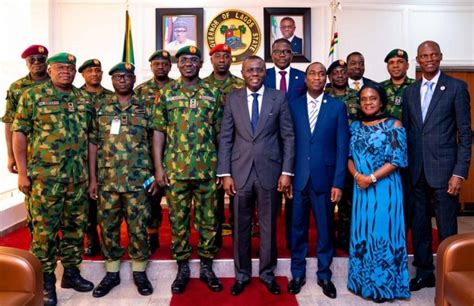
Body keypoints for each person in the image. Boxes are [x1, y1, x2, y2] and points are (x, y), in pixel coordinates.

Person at [12, 52, 94, 306]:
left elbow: (92, 140)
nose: (66, 72)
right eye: (60, 68)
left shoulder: (83, 98)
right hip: (45, 180)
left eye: (70, 68)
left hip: (77, 178)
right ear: (49, 70)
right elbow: (20, 134)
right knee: (44, 232)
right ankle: (45, 280)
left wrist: (92, 178)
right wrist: (23, 173)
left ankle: (70, 272)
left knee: (74, 229)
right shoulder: (32, 96)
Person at [217, 55, 295, 296]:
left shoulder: (278, 97)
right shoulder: (232, 98)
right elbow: (226, 136)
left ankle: (267, 273)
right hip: (239, 172)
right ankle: (241, 275)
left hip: (270, 171)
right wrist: (225, 172)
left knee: (269, 224)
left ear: (265, 73)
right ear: (242, 73)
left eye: (259, 70)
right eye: (250, 69)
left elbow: (288, 136)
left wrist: (286, 171)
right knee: (240, 225)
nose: (254, 73)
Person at [152, 46, 223, 294]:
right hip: (175, 171)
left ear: (201, 63)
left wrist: (221, 170)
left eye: (193, 60)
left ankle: (206, 266)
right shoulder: (167, 93)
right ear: (177, 64)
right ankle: (182, 268)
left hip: (207, 170)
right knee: (178, 221)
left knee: (208, 222)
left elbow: (221, 134)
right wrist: (159, 168)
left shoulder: (212, 93)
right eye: (184, 60)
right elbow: (158, 131)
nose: (189, 64)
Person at [402, 40, 471, 291]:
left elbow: (465, 135)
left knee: (446, 227)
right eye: (424, 56)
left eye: (433, 54)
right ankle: (424, 273)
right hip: (416, 170)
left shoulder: (456, 88)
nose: (429, 59)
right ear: (417, 60)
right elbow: (408, 132)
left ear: (440, 57)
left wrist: (459, 173)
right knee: (419, 225)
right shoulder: (410, 91)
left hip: (445, 172)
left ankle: (449, 274)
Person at [88, 62, 155, 297]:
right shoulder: (102, 109)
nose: (123, 80)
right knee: (108, 226)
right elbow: (93, 143)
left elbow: (156, 141)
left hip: (139, 179)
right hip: (108, 180)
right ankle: (112, 272)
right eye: (118, 77)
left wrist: (155, 174)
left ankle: (139, 271)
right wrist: (93, 179)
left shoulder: (145, 107)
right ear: (112, 81)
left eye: (127, 76)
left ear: (134, 79)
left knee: (138, 226)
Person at [287, 62, 349, 299]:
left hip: (325, 178)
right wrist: (287, 176)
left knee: (325, 229)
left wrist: (338, 182)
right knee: (297, 229)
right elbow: (287, 143)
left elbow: (342, 146)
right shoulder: (292, 106)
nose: (317, 77)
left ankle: (324, 274)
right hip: (298, 178)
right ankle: (297, 274)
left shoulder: (337, 107)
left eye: (321, 74)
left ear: (326, 79)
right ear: (305, 79)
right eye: (312, 73)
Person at [347, 83, 410, 302]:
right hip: (361, 191)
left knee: (381, 236)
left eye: (372, 98)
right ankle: (360, 282)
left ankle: (382, 287)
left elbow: (397, 159)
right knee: (362, 235)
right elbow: (348, 158)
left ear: (381, 101)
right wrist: (358, 177)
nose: (368, 102)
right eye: (364, 99)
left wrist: (371, 178)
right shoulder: (355, 126)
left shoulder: (394, 124)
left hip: (385, 189)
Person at [1, 44, 50, 234]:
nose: (37, 63)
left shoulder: (58, 84)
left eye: (41, 60)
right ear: (26, 63)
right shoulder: (17, 88)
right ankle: (39, 246)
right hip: (29, 155)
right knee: (34, 202)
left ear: (47, 62)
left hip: (59, 156)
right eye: (32, 60)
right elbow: (10, 123)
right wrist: (11, 156)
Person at [264, 37, 306, 249]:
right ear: (272, 54)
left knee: (293, 196)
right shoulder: (263, 76)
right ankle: (269, 242)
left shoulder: (303, 77)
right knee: (269, 196)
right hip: (269, 142)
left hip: (296, 141)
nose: (282, 55)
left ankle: (292, 241)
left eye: (286, 51)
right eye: (278, 51)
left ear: (292, 54)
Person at [203, 43, 245, 246]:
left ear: (231, 60)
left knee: (237, 192)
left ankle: (239, 235)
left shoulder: (240, 85)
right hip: (208, 149)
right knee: (213, 197)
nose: (222, 60)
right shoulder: (202, 86)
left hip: (236, 148)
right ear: (211, 59)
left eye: (226, 56)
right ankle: (215, 237)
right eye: (218, 56)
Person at [135, 49, 174, 253]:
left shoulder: (177, 88)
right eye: (157, 64)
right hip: (148, 155)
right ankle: (152, 235)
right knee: (150, 196)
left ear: (170, 66)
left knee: (176, 198)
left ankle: (178, 238)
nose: (161, 67)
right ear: (151, 67)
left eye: (164, 64)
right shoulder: (140, 91)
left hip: (175, 153)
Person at [78, 58, 113, 257]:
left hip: (107, 157)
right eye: (90, 71)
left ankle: (109, 240)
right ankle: (92, 239)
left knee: (107, 203)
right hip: (81, 158)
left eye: (98, 71)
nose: (95, 74)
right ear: (83, 74)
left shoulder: (111, 97)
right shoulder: (75, 96)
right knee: (86, 204)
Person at [325, 59, 361, 253]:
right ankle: (328, 239)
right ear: (329, 76)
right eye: (335, 72)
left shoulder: (358, 97)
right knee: (328, 202)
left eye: (343, 71)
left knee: (349, 201)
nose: (339, 75)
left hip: (352, 157)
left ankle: (346, 239)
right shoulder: (323, 97)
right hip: (329, 156)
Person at [381, 49, 415, 119]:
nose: (395, 65)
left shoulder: (417, 86)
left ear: (407, 66)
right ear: (387, 67)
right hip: (385, 129)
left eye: (400, 62)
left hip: (409, 129)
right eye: (391, 62)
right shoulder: (379, 87)